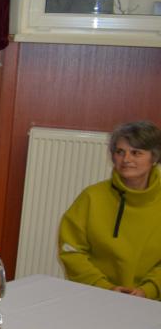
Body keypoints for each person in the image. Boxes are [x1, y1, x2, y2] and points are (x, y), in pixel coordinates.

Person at [58, 121, 161, 300]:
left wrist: (149, 290)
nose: (126, 159)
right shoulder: (91, 197)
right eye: (120, 152)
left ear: (154, 158)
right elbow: (71, 251)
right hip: (95, 294)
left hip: (151, 301)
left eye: (136, 152)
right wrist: (104, 287)